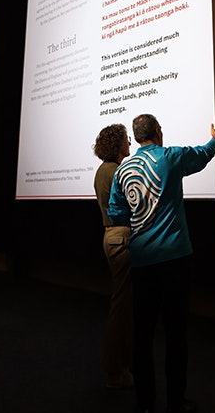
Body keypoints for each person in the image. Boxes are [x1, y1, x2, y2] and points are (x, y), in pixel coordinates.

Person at [108, 114, 215, 413]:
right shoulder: (171, 157)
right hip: (175, 259)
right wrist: (214, 139)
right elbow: (202, 155)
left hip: (143, 261)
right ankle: (175, 401)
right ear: (158, 132)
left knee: (142, 335)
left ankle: (144, 403)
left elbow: (116, 213)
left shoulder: (123, 170)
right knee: (176, 334)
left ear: (134, 138)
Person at [93, 123, 134, 390]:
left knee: (123, 304)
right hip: (121, 237)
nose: (130, 142)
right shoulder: (117, 171)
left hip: (111, 236)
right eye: (126, 139)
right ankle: (114, 371)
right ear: (118, 144)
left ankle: (118, 367)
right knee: (121, 306)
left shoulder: (102, 171)